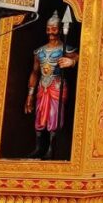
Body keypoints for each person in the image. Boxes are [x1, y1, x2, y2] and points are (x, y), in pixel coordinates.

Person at [24, 11, 77, 159]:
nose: (51, 32)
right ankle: (39, 147)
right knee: (40, 116)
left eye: (54, 28)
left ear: (60, 30)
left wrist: (71, 62)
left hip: (57, 84)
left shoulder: (66, 48)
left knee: (55, 116)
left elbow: (78, 57)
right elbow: (34, 73)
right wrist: (30, 95)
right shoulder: (39, 51)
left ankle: (52, 148)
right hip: (42, 85)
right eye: (49, 28)